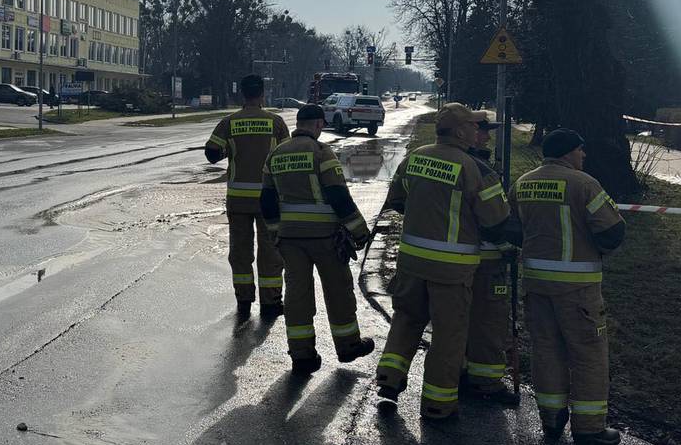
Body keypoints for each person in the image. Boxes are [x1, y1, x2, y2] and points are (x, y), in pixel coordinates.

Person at [375, 103, 511, 420]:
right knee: (449, 336)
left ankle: (389, 378)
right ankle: (438, 404)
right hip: (451, 269)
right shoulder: (474, 168)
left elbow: (397, 200)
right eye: (473, 126)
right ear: (461, 131)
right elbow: (496, 221)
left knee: (407, 319)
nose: (477, 131)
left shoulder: (415, 157)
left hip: (411, 262)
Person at [509, 129, 625, 445]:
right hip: (578, 289)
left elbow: (512, 230)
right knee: (588, 353)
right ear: (567, 152)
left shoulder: (523, 183)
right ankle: (589, 427)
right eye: (580, 150)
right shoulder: (583, 184)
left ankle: (551, 418)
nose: (583, 155)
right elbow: (612, 232)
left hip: (536, 285)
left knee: (545, 350)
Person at [260, 104, 375, 373]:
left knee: (297, 295)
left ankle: (302, 355)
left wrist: (275, 232)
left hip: (290, 238)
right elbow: (338, 195)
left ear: (298, 123)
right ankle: (348, 346)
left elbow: (267, 199)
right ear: (319, 125)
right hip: (325, 237)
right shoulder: (321, 152)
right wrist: (359, 230)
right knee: (338, 290)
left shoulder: (275, 155)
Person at [206, 74, 290, 322]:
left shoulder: (230, 122)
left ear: (242, 94)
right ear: (262, 94)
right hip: (269, 199)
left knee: (240, 252)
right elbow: (286, 155)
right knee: (271, 252)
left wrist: (232, 150)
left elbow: (211, 153)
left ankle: (244, 299)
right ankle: (271, 302)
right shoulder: (275, 122)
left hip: (238, 200)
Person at [462, 117, 521, 405]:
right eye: (483, 131)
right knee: (489, 322)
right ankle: (486, 383)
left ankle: (459, 373)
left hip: (457, 260)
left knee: (459, 319)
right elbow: (494, 220)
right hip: (486, 259)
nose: (487, 137)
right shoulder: (478, 168)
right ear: (468, 132)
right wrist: (508, 246)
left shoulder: (451, 162)